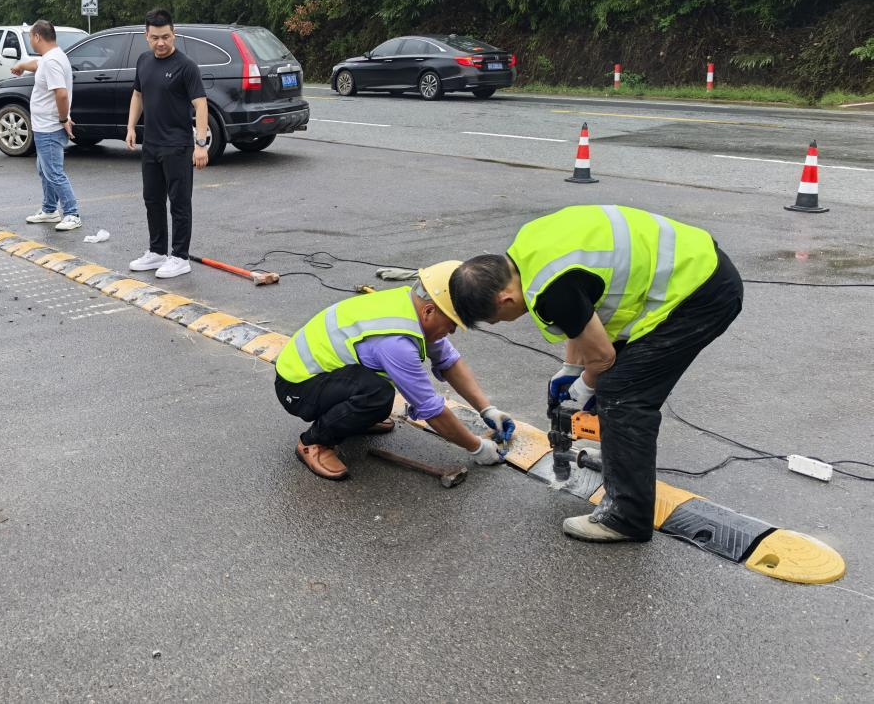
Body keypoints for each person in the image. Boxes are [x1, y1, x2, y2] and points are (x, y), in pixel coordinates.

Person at [450, 204, 744, 544]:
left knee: (622, 393)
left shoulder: (550, 290)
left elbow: (602, 357)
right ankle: (621, 458)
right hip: (695, 264)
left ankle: (627, 517)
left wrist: (583, 387)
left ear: (504, 300)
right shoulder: (526, 250)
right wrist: (571, 368)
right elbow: (581, 313)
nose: (503, 322)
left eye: (497, 319)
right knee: (616, 378)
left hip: (700, 294)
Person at [275, 260, 515, 481]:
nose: (452, 331)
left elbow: (448, 361)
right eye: (452, 324)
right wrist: (477, 448)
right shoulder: (396, 342)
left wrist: (487, 409)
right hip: (297, 386)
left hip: (323, 375)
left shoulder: (411, 305)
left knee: (378, 399)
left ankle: (351, 417)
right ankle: (314, 442)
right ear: (429, 311)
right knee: (377, 395)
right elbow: (431, 409)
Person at [124, 8, 208, 280]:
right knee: (152, 200)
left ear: (174, 34)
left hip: (178, 146)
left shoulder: (186, 66)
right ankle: (157, 251)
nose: (161, 43)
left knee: (179, 203)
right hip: (151, 144)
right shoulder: (144, 61)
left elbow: (201, 104)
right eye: (155, 38)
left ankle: (180, 257)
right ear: (146, 36)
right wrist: (131, 127)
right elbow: (138, 95)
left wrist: (200, 144)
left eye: (166, 37)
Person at [11, 20, 82, 231]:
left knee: (53, 172)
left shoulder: (51, 61)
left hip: (50, 127)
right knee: (45, 170)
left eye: (30, 36)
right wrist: (21, 66)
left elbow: (61, 93)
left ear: (37, 37)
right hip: (44, 126)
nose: (31, 40)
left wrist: (63, 119)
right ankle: (50, 209)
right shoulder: (51, 57)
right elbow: (36, 65)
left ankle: (72, 213)